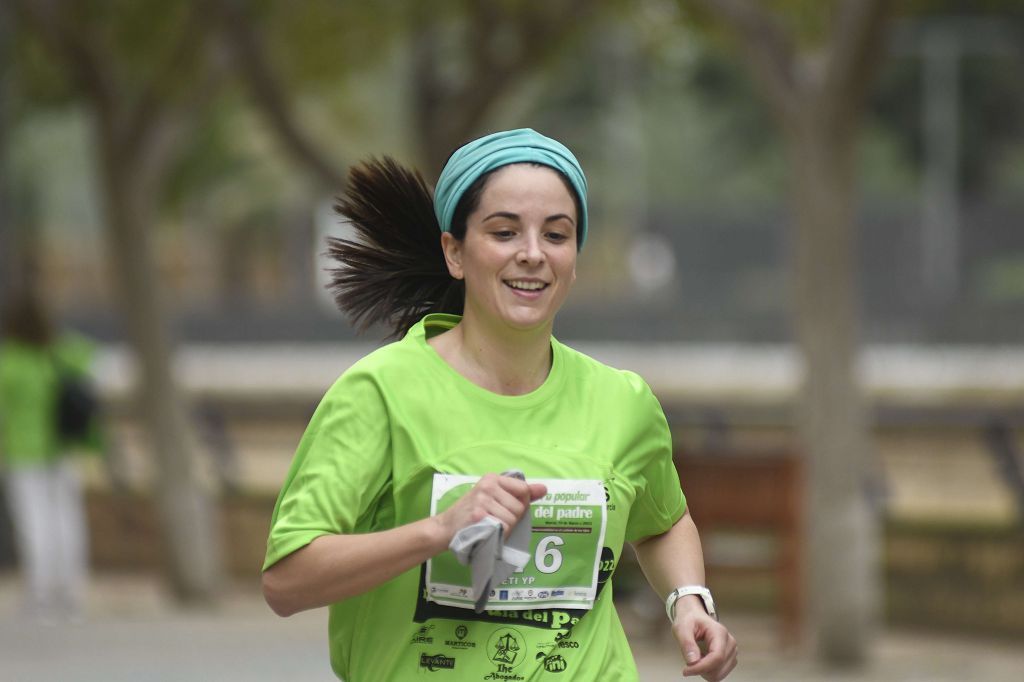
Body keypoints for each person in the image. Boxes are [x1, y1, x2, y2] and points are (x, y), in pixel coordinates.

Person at [262, 128, 738, 680]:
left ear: (574, 258)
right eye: (505, 232)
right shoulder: (380, 394)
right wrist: (440, 530)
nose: (533, 254)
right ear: (455, 252)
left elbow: (662, 521)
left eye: (556, 235)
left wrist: (689, 599)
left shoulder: (622, 402)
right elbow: (286, 582)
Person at [0, 289, 99, 622]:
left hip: (23, 449)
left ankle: (40, 592)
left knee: (34, 520)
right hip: (63, 445)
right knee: (67, 518)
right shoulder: (62, 352)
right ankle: (70, 590)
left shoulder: (10, 361)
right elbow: (90, 359)